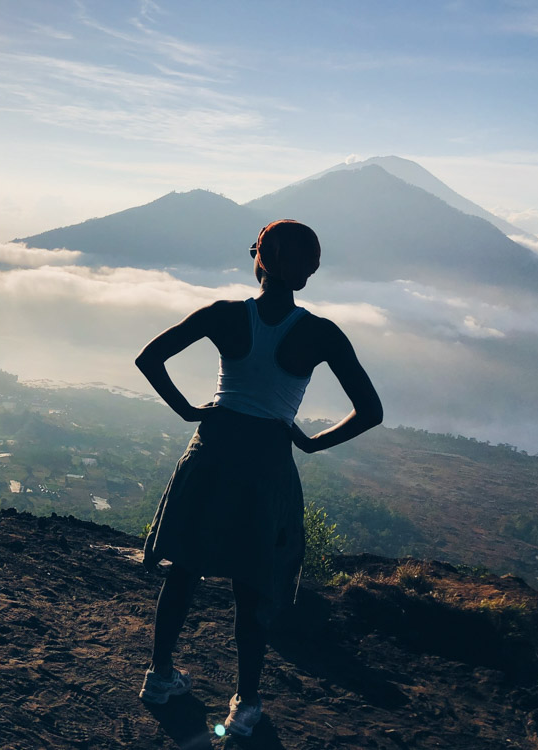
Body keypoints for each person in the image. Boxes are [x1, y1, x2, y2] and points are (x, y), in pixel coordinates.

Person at [134, 220, 382, 736]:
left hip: (211, 452)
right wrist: (312, 442)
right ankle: (245, 707)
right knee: (253, 586)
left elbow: (149, 357)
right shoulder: (320, 333)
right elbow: (370, 410)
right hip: (267, 466)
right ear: (307, 267)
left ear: (260, 260)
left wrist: (186, 410)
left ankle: (159, 677)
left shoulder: (224, 316)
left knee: (184, 571)